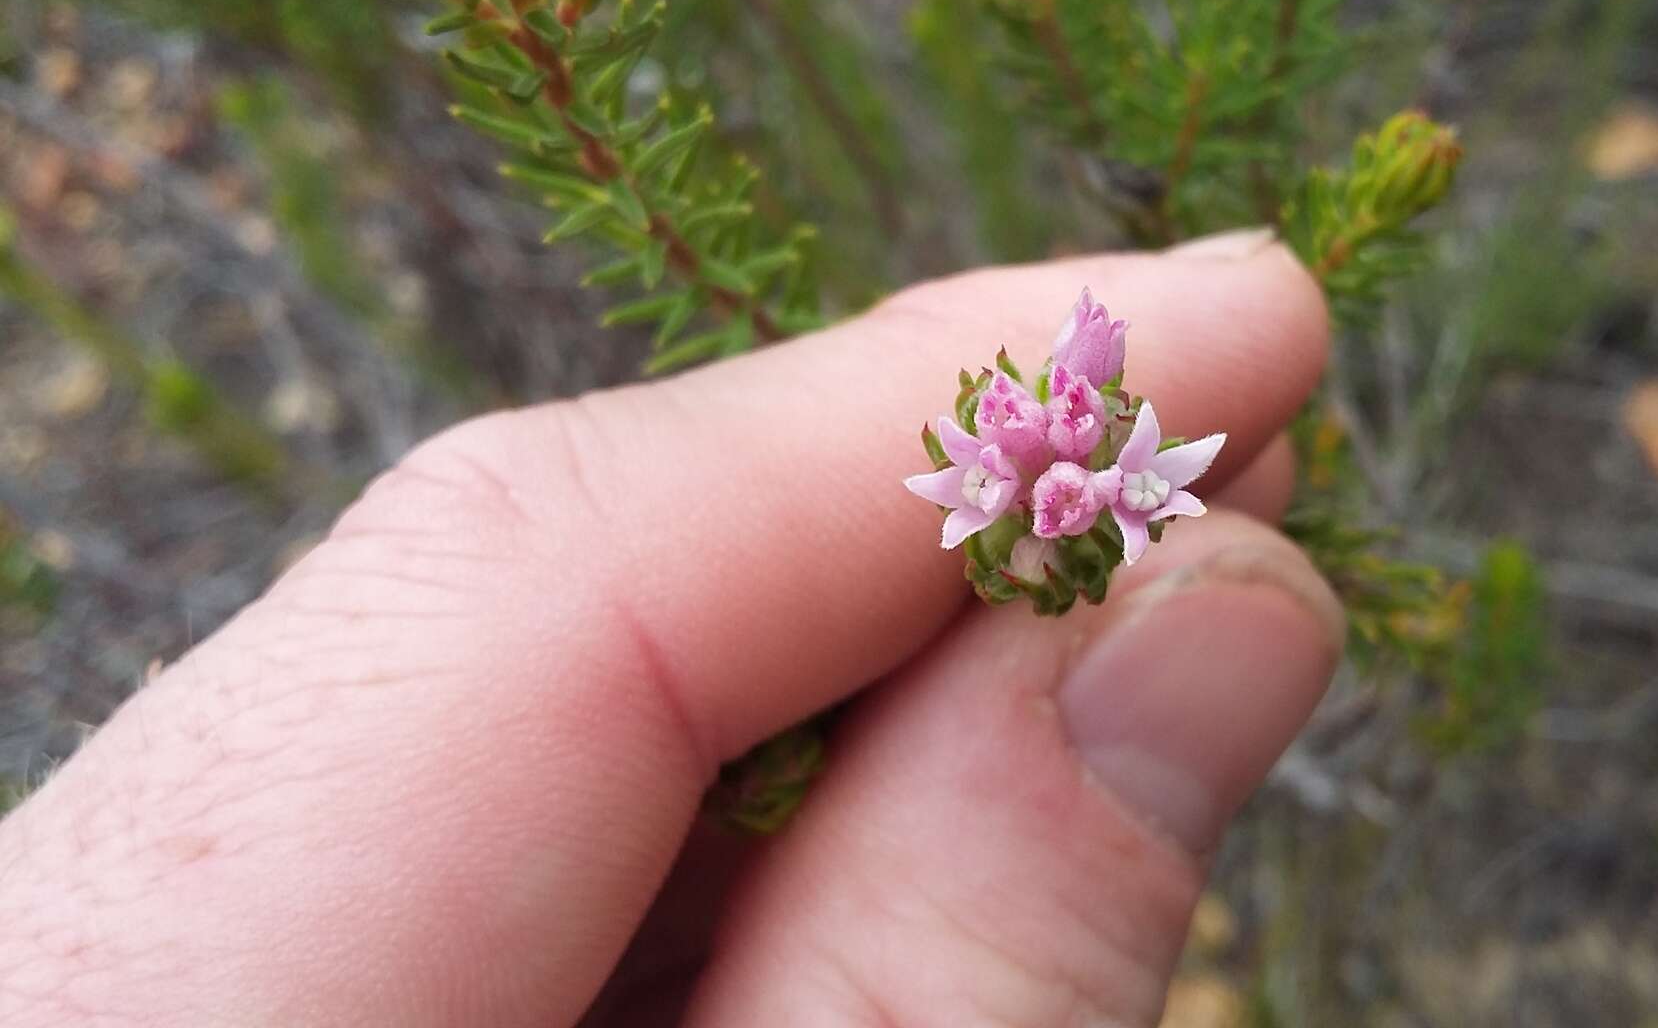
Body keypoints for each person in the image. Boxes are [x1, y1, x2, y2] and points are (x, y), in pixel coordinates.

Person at [0, 230, 1343, 1027]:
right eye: (1035, 469)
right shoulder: (1003, 487)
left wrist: (1095, 492)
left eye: (1071, 471)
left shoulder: (1088, 476)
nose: (1055, 477)